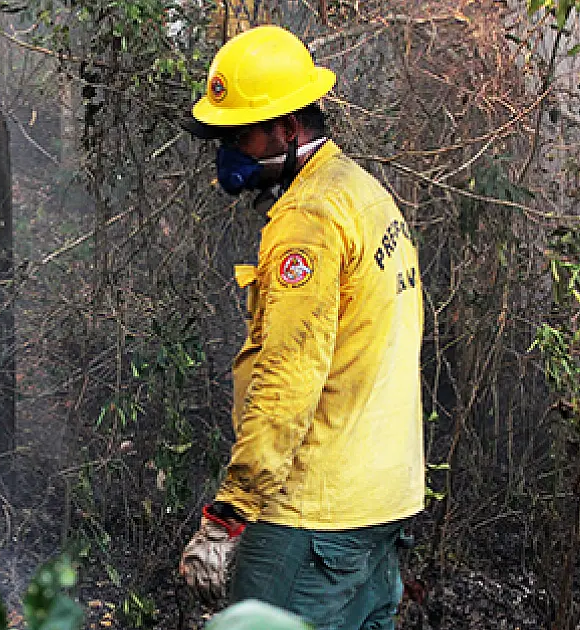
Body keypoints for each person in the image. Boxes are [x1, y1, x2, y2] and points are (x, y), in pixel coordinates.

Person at [177, 25, 426, 630]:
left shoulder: (308, 220)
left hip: (313, 511)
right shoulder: (362, 194)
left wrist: (230, 512)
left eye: (242, 133)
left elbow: (288, 378)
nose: (230, 149)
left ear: (288, 130)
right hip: (384, 498)